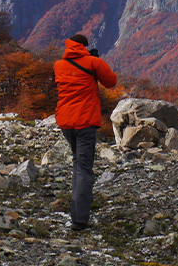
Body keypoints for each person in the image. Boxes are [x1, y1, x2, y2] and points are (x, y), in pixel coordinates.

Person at [54, 33, 118, 231]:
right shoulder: (92, 62)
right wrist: (97, 60)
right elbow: (111, 82)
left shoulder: (58, 65)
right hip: (85, 122)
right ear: (84, 47)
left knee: (77, 163)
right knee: (84, 168)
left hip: (65, 122)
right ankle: (80, 220)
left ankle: (76, 211)